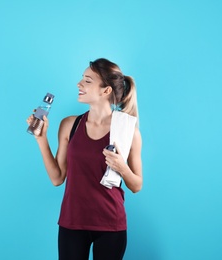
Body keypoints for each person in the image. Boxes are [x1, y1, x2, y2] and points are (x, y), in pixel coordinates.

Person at [26, 58, 143, 260]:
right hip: (72, 222)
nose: (79, 84)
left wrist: (121, 168)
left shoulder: (128, 131)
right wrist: (41, 138)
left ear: (106, 90)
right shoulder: (70, 125)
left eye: (87, 80)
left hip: (110, 224)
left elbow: (137, 185)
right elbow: (57, 178)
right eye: (82, 79)